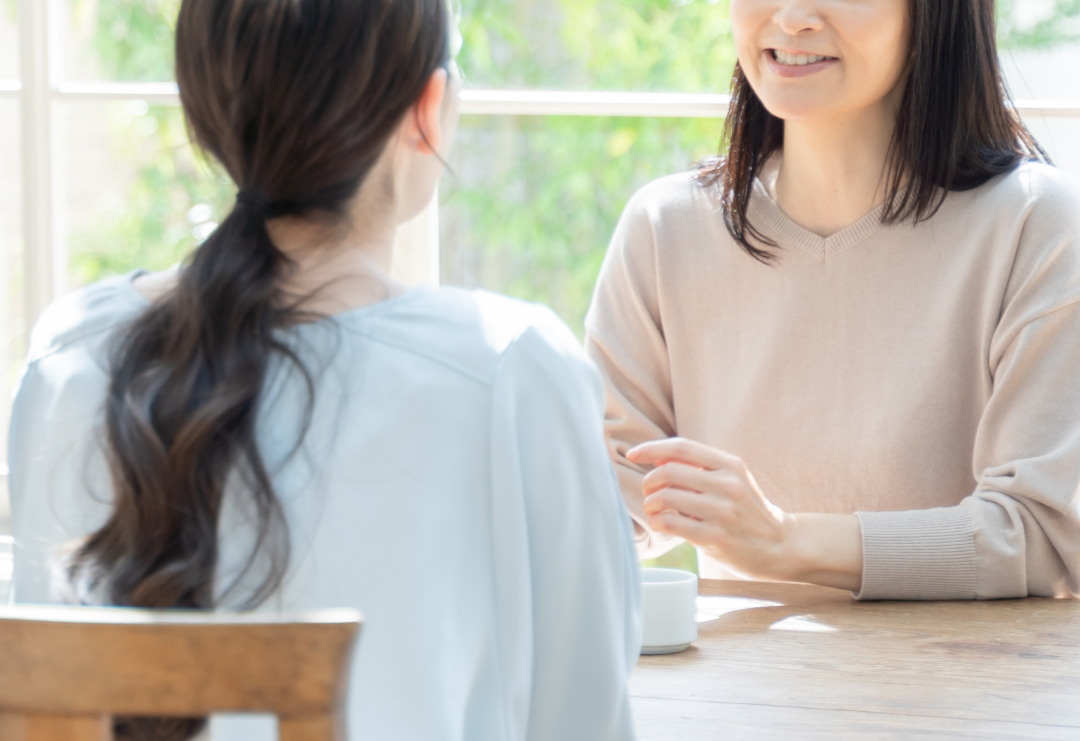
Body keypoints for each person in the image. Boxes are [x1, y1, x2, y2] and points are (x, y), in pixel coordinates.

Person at [8, 1, 640, 739]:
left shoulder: (69, 356)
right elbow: (585, 716)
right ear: (427, 110)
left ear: (204, 106)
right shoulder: (512, 370)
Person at [585, 0, 1080, 600]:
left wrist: (786, 543)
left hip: (963, 660)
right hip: (743, 664)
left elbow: (1043, 540)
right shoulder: (666, 229)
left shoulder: (1032, 221)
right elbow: (606, 504)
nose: (792, 17)